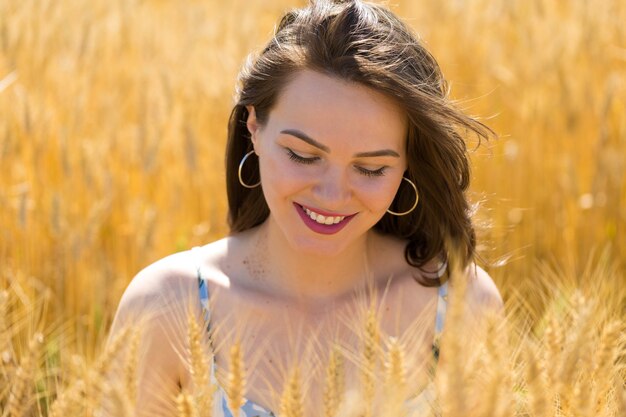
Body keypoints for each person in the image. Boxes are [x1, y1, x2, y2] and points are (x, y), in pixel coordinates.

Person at [107, 0, 503, 416]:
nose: (332, 196)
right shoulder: (168, 306)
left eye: (370, 168)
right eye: (302, 155)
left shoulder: (461, 305)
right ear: (254, 127)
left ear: (408, 163)